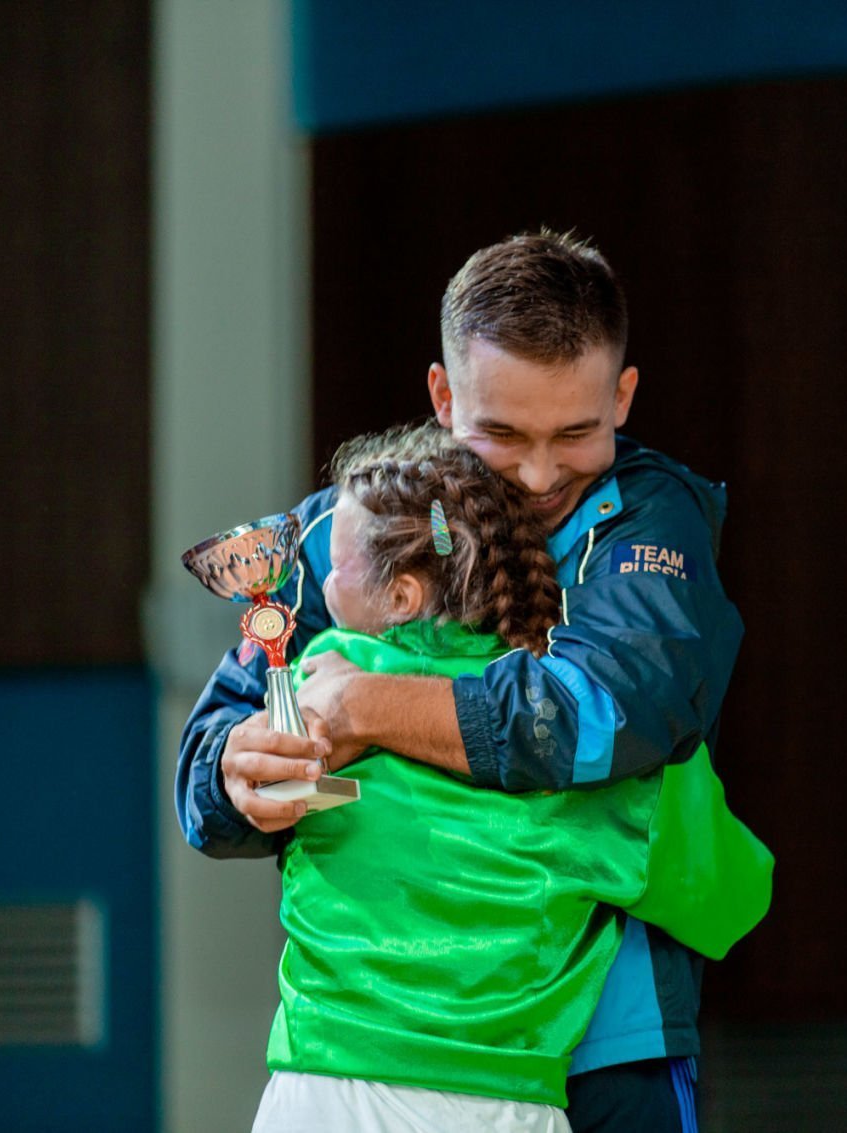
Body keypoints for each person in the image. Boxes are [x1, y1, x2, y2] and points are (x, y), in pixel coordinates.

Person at [178, 230, 750, 1132]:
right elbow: (206, 770)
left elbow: (610, 713)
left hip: (609, 1042)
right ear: (444, 396)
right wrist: (237, 774)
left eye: (577, 433)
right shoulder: (351, 529)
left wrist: (364, 704)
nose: (539, 474)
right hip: (373, 1038)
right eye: (502, 434)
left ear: (622, 395)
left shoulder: (650, 521)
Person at [250, 423, 771, 1133]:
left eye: (333, 568)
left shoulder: (316, 690)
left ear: (400, 596)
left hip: (321, 1088)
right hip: (504, 1103)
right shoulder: (592, 746)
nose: (319, 583)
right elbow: (734, 893)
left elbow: (242, 798)